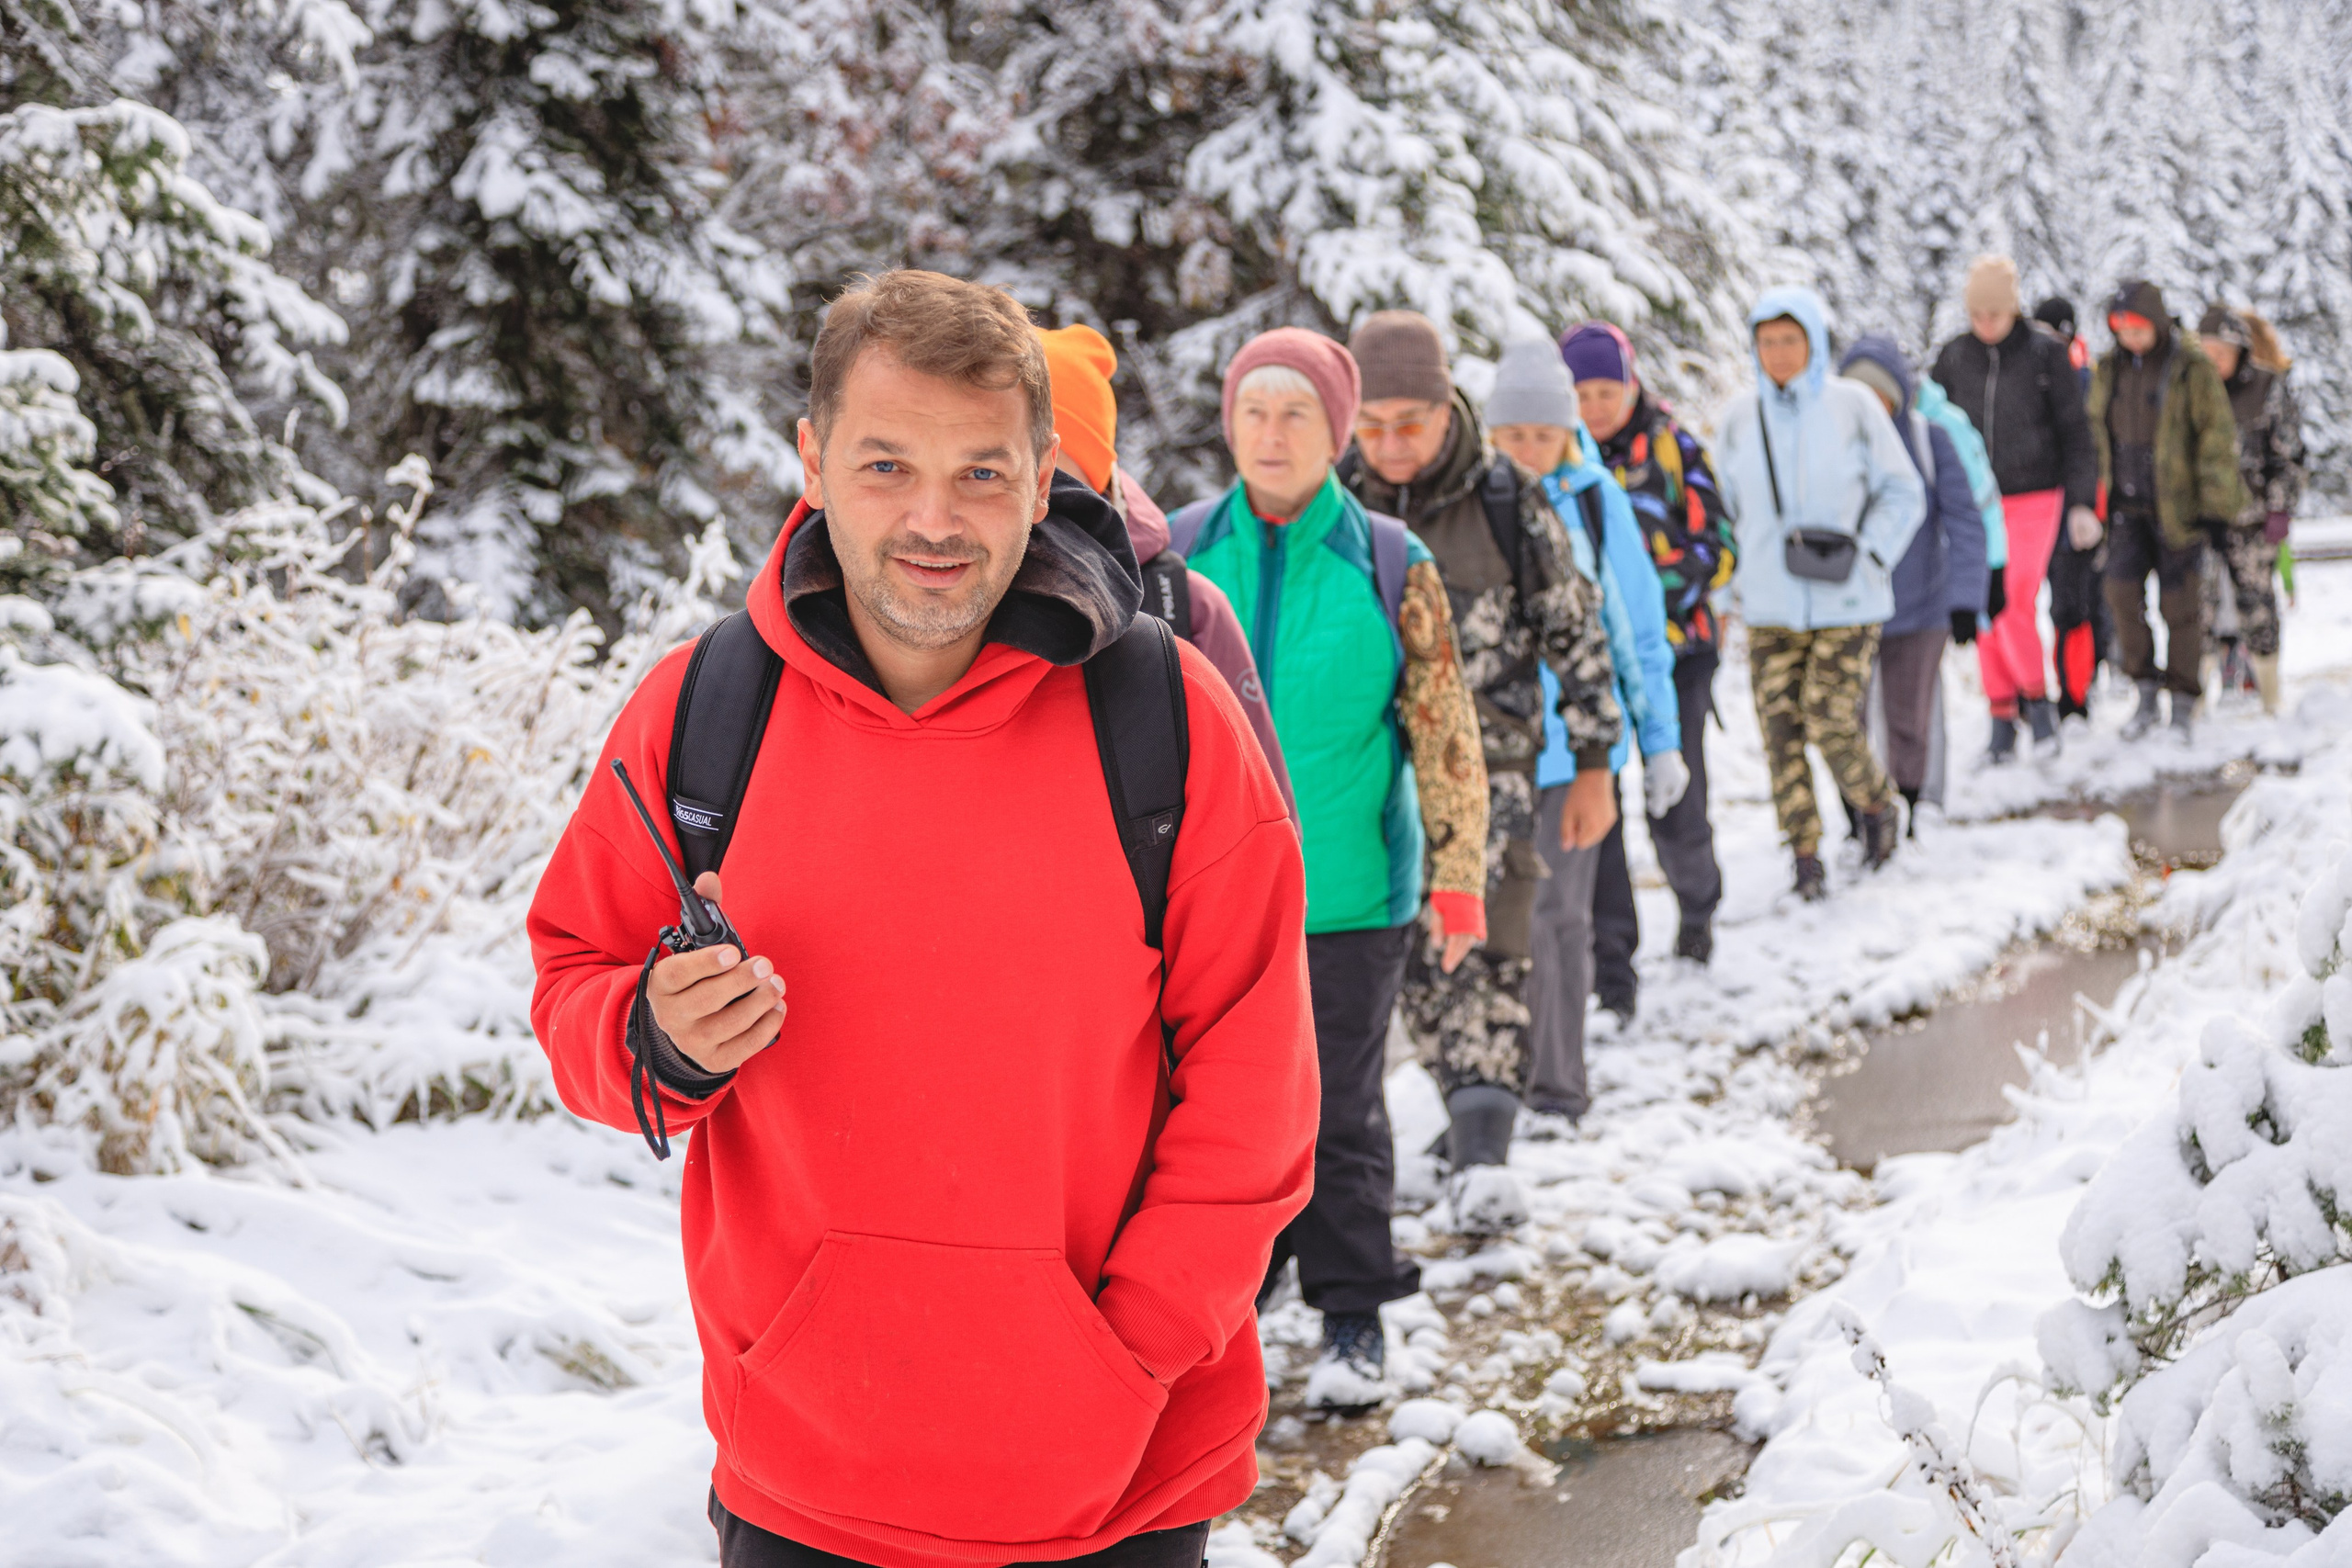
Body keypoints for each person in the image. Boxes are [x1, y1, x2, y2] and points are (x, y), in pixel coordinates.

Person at [528, 271, 1318, 1568]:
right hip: (806, 1474)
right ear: (813, 460)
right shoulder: (706, 707)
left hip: (1117, 1480)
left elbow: (1258, 1095)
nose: (934, 521)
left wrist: (1123, 1357)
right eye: (887, 465)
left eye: (982, 473)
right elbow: (574, 982)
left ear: (1045, 475)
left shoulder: (1168, 719)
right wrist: (654, 1039)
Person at [1170, 326, 1488, 1404]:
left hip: (1349, 893)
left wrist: (1458, 877)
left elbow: (1444, 731)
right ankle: (1235, 1297)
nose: (1270, 432)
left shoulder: (1391, 560)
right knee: (1214, 1112)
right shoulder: (1175, 552)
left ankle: (1351, 1306)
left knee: (1340, 1107)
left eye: (1294, 412)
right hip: (1207, 901)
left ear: (1336, 432)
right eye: (1253, 411)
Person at [1335, 314, 1626, 1236]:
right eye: (1371, 425)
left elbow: (1578, 633)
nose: (1391, 445)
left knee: (1488, 954)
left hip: (1494, 772)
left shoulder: (1507, 498)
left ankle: (1485, 1162)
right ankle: (1462, 1116)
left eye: (1409, 423)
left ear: (1445, 406)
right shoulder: (1332, 501)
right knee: (1411, 971)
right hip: (1368, 780)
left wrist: (1595, 766)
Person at [1470, 339, 1678, 1127]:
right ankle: (1490, 1087)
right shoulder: (1467, 503)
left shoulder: (1595, 501)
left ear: (1567, 434)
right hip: (1484, 754)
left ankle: (1557, 1087)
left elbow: (1637, 629)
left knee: (1557, 917)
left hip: (1571, 753)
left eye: (1543, 434)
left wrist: (1660, 741)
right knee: (1485, 922)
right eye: (1512, 434)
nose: (1527, 450)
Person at [1713, 287, 1926, 900]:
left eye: (1791, 339)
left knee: (1830, 718)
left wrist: (1873, 553)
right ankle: (1804, 856)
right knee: (1780, 733)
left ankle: (1878, 806)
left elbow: (1903, 490)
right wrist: (1724, 597)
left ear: (1813, 343)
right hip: (1769, 604)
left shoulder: (1852, 406)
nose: (1779, 352)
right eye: (1767, 341)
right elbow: (1723, 517)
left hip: (1847, 601)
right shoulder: (1738, 419)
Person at [1035, 322, 1296, 809]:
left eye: (1053, 473)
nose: (1030, 499)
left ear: (1098, 483)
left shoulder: (1185, 605)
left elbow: (1262, 819)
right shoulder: (945, 598)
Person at [1561, 321, 1735, 987]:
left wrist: (1641, 593)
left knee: (1677, 797)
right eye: (1581, 394)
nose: (1595, 406)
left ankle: (1698, 907)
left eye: (1607, 391)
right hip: (1590, 665)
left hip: (1679, 651)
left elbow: (1720, 546)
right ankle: (1613, 959)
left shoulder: (1672, 447)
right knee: (1598, 810)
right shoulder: (1558, 461)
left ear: (1632, 386)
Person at [1928, 256, 2098, 760]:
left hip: (2036, 496)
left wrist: (2081, 502)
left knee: (2012, 601)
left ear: (2013, 309)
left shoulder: (2046, 354)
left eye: (1995, 314)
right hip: (1974, 503)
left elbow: (2076, 433)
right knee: (1983, 602)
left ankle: (2038, 706)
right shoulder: (1954, 356)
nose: (1985, 324)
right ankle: (2001, 715)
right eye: (1976, 315)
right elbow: (1932, 425)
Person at [1838, 336, 1989, 828]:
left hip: (1921, 607)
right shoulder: (1830, 448)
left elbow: (1965, 520)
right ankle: (1860, 820)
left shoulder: (1929, 440)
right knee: (1845, 723)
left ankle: (1911, 811)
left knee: (1909, 720)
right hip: (1847, 608)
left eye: (1879, 396)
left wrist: (1966, 600)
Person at [2087, 280, 2247, 742]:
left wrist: (2216, 508)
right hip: (2125, 509)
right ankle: (2143, 688)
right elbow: (2095, 434)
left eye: (2137, 329)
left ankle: (2182, 699)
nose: (2130, 338)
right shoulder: (2109, 368)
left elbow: (2216, 438)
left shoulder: (2190, 367)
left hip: (2179, 510)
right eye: (2121, 330)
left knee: (2181, 606)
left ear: (2156, 323)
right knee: (2121, 596)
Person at [2194, 304, 2304, 716]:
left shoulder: (2267, 387)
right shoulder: (2190, 388)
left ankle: (2270, 695)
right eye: (2206, 351)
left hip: (2253, 521)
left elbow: (2290, 457)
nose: (2213, 360)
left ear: (2239, 349)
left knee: (2258, 610)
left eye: (2220, 352)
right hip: (2202, 521)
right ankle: (2195, 699)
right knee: (2197, 613)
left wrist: (2280, 509)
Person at [2029, 293, 2109, 722]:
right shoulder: (2025, 379)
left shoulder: (2084, 381)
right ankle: (2031, 692)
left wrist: (2094, 509)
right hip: (2030, 510)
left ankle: (2074, 694)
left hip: (2073, 514)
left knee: (2073, 607)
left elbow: (2094, 451)